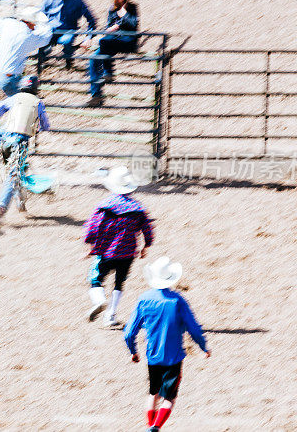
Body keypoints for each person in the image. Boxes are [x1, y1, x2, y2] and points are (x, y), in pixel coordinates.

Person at [124, 257, 210, 432]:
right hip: (174, 357)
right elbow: (193, 327)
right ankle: (156, 427)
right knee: (169, 398)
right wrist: (203, 346)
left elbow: (128, 332)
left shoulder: (144, 299)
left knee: (153, 393)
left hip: (152, 355)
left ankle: (150, 426)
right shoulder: (178, 300)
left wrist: (133, 351)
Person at [83, 165, 153, 327]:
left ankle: (100, 301)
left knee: (95, 279)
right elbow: (147, 228)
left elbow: (93, 227)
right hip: (128, 253)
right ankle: (111, 315)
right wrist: (146, 246)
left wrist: (90, 245)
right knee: (119, 282)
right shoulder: (138, 208)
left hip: (106, 252)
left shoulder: (104, 206)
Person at [0, 74, 50, 218]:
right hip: (20, 142)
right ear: (35, 87)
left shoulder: (14, 99)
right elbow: (46, 125)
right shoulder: (38, 103)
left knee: (17, 170)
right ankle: (2, 204)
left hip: (3, 140)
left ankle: (20, 201)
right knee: (14, 175)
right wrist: (38, 127)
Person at [86, 0, 140, 107]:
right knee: (93, 58)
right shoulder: (112, 9)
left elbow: (134, 24)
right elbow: (109, 25)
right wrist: (112, 28)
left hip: (128, 40)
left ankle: (108, 71)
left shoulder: (132, 8)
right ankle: (96, 95)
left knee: (103, 41)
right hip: (113, 41)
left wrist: (124, 15)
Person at [0, 7, 52, 96]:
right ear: (29, 23)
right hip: (10, 79)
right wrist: (45, 25)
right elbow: (46, 38)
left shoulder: (7, 24)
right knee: (22, 102)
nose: (35, 27)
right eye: (35, 24)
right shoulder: (28, 37)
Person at [38, 0, 96, 72]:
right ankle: (41, 61)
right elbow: (40, 14)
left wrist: (89, 37)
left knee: (67, 40)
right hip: (51, 29)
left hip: (68, 30)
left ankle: (68, 62)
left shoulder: (77, 1)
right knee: (43, 37)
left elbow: (91, 19)